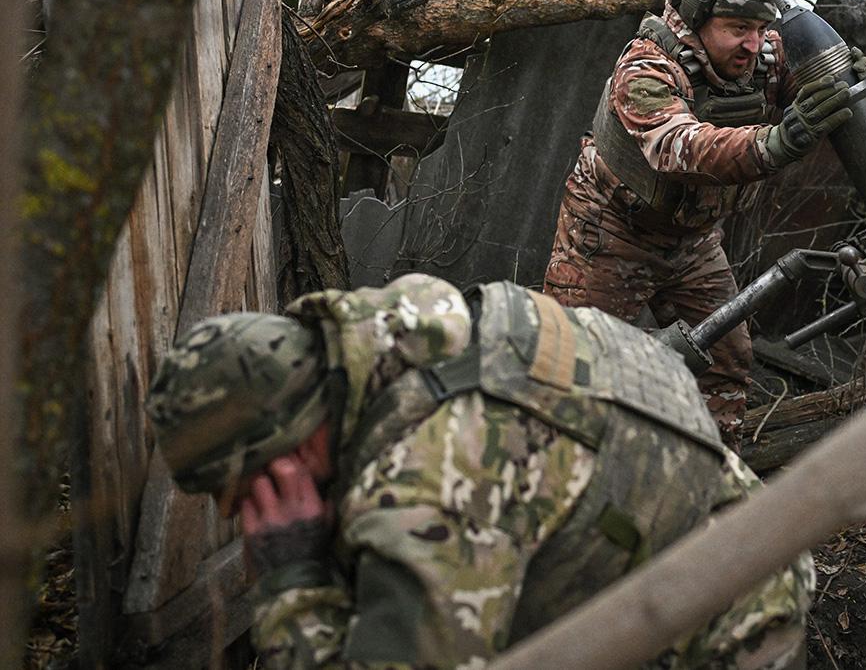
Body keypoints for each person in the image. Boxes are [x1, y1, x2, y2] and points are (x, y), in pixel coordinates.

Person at [146, 273, 815, 668]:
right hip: (691, 552)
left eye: (237, 492)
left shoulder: (426, 491)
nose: (237, 516)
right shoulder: (412, 330)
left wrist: (292, 585)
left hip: (721, 638)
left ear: (286, 452)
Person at [543, 0, 866, 446]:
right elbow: (680, 146)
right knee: (569, 364)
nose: (753, 44)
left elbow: (811, 83)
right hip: (611, 232)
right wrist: (774, 143)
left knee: (726, 360)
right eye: (736, 28)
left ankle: (708, 478)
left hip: (695, 243)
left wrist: (846, 79)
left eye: (759, 27)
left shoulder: (762, 52)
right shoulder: (646, 67)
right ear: (699, 17)